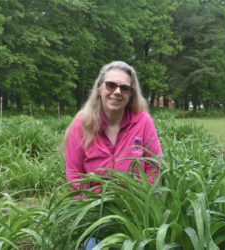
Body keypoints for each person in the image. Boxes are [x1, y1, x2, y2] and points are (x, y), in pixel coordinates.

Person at [62, 61, 162, 197]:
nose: (117, 92)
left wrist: (142, 201)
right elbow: (75, 175)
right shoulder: (82, 124)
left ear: (131, 94)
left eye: (124, 88)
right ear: (99, 87)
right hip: (94, 206)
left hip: (136, 204)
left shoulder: (143, 121)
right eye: (111, 85)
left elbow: (154, 166)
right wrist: (89, 207)